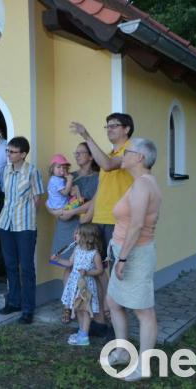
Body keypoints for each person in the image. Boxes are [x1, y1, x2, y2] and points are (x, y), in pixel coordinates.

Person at [105, 138, 162, 381]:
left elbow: (137, 225)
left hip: (134, 254)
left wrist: (123, 259)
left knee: (144, 311)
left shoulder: (143, 185)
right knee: (114, 302)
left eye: (127, 152)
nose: (122, 155)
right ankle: (122, 352)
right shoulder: (139, 182)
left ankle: (144, 366)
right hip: (123, 250)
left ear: (140, 157)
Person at [70, 113, 135, 321]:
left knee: (117, 273)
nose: (109, 129)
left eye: (114, 126)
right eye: (107, 126)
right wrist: (87, 217)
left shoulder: (132, 150)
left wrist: (86, 135)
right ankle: (102, 319)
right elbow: (101, 192)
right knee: (98, 271)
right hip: (99, 220)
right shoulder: (109, 152)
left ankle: (117, 324)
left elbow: (107, 165)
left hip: (117, 222)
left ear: (126, 129)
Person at [48, 142, 100, 326]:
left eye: (80, 153)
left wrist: (73, 212)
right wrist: (53, 210)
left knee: (86, 268)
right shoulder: (69, 176)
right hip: (66, 225)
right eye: (75, 152)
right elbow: (53, 197)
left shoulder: (98, 178)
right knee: (69, 267)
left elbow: (96, 203)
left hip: (85, 225)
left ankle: (88, 307)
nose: (76, 156)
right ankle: (67, 306)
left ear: (91, 156)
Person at [0, 136, 45, 324]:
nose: (8, 154)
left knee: (26, 268)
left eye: (13, 151)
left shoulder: (32, 171)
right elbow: (6, 195)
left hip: (24, 225)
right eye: (7, 151)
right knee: (9, 265)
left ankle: (28, 309)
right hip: (5, 223)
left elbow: (38, 197)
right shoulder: (6, 170)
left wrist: (28, 216)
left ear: (23, 154)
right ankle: (14, 302)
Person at [51, 224, 104, 346]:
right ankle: (81, 332)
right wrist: (58, 259)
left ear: (87, 237)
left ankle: (84, 337)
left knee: (85, 310)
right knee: (78, 308)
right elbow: (70, 263)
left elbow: (100, 270)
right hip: (74, 283)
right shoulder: (77, 249)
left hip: (86, 286)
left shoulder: (94, 254)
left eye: (78, 233)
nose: (75, 235)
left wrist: (87, 272)